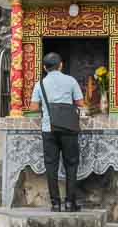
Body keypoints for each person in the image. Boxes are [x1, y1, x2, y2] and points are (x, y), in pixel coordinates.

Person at [29, 52, 85, 212]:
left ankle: (55, 204)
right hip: (68, 127)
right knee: (71, 164)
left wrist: (47, 107)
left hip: (49, 128)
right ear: (61, 65)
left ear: (45, 68)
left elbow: (33, 107)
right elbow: (80, 103)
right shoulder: (71, 80)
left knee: (51, 166)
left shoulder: (40, 84)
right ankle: (70, 203)